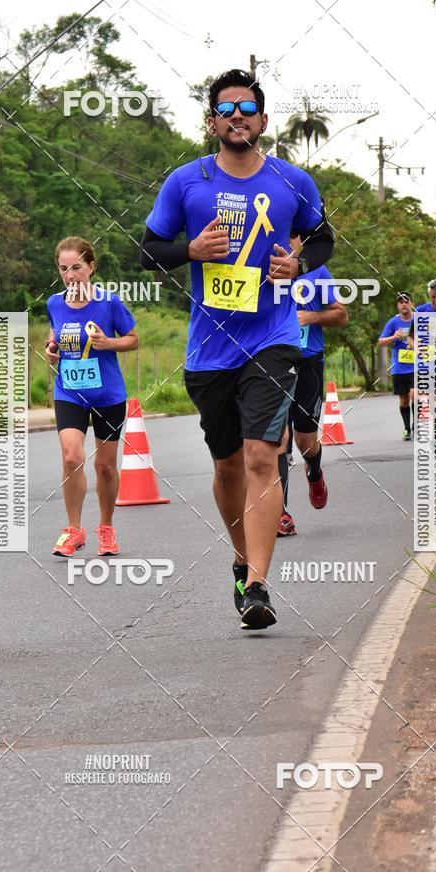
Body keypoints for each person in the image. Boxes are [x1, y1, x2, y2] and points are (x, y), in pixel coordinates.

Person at [140, 68, 334, 629]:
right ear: (212, 122)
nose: (237, 118)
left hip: (272, 338)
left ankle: (258, 587)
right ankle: (241, 558)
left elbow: (322, 237)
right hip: (209, 349)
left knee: (260, 455)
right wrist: (190, 250)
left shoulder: (292, 180)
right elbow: (150, 252)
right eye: (226, 110)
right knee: (226, 467)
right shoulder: (186, 182)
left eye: (247, 109)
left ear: (263, 121)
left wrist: (300, 263)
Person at [45, 237, 138, 557]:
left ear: (90, 268)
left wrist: (108, 344)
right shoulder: (54, 303)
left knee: (105, 466)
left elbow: (133, 339)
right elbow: (55, 334)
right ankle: (73, 530)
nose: (70, 275)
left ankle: (106, 528)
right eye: (63, 269)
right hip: (69, 391)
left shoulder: (109, 302)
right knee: (72, 457)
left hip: (107, 395)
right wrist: (52, 350)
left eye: (76, 268)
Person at [277, 251, 348, 536]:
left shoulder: (317, 272)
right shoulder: (263, 264)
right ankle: (279, 512)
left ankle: (314, 472)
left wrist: (312, 316)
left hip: (308, 364)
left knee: (306, 440)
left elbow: (341, 315)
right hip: (273, 364)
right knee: (277, 438)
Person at [378, 292, 416, 440]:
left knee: (415, 395)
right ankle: (407, 428)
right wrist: (394, 337)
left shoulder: (419, 320)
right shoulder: (393, 322)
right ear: (397, 306)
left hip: (417, 366)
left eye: (406, 301)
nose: (404, 304)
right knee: (404, 399)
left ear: (411, 303)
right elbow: (381, 342)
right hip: (399, 367)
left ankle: (416, 425)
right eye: (401, 302)